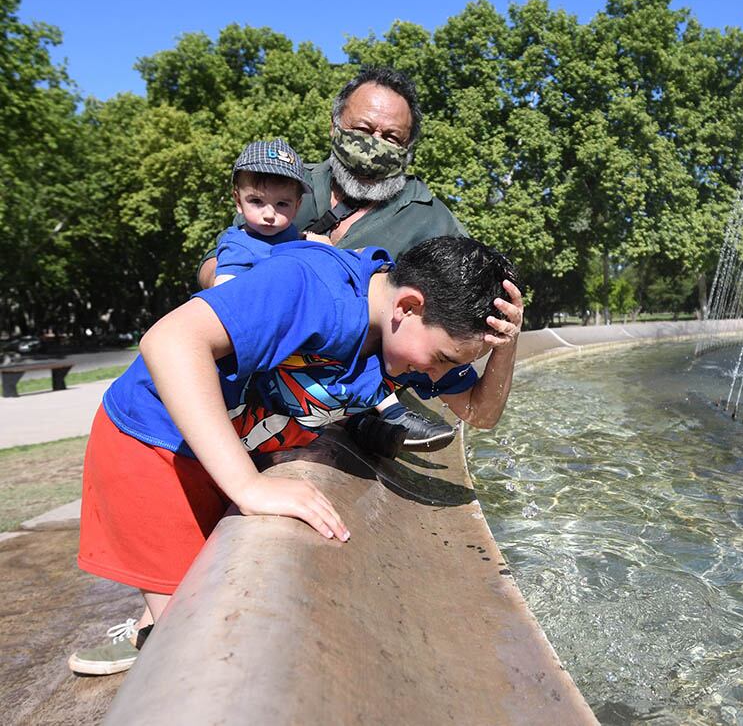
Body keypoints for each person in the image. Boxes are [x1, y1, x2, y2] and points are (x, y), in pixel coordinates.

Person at [68, 235, 523, 676]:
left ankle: (147, 630)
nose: (438, 374)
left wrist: (507, 346)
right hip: (156, 448)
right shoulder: (308, 285)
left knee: (206, 597)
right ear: (407, 306)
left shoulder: (405, 338)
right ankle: (152, 638)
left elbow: (480, 414)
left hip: (226, 448)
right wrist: (247, 486)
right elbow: (169, 341)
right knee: (190, 645)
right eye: (441, 358)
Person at [197, 65, 470, 451]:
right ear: (334, 126)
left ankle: (369, 417)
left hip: (355, 370)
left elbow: (459, 306)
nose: (376, 144)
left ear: (408, 149)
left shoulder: (431, 217)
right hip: (263, 348)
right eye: (362, 130)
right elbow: (216, 261)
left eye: (392, 137)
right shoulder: (282, 185)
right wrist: (259, 294)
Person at [212, 138, 326, 286]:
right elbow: (225, 291)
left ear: (297, 206)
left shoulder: (287, 232)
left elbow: (292, 239)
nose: (269, 215)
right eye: (256, 201)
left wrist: (311, 239)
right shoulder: (237, 248)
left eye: (282, 204)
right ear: (238, 201)